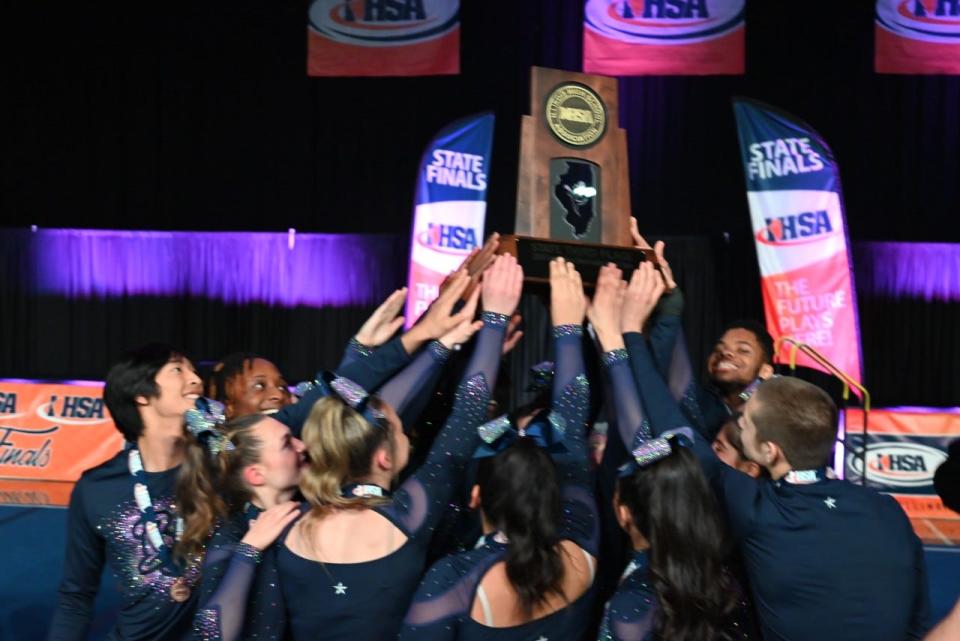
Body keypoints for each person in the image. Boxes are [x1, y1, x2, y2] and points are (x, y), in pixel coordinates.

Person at [623, 279, 933, 640]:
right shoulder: (889, 510)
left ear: (770, 451)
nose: (738, 422)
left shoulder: (759, 511)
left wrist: (630, 332)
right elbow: (919, 622)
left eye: (746, 422)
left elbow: (676, 431)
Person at [399, 257, 598, 640]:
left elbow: (455, 438)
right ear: (553, 496)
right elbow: (572, 438)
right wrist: (570, 328)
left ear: (476, 496)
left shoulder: (455, 579)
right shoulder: (581, 554)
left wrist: (492, 323)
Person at [589, 263, 744, 641]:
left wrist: (615, 336)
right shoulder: (721, 584)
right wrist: (666, 313)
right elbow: (655, 425)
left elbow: (644, 432)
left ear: (622, 510)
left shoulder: (629, 607)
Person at [50, 344, 205, 641]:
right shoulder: (97, 489)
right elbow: (76, 597)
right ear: (141, 395)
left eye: (194, 370)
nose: (196, 379)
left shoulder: (220, 468)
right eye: (178, 370)